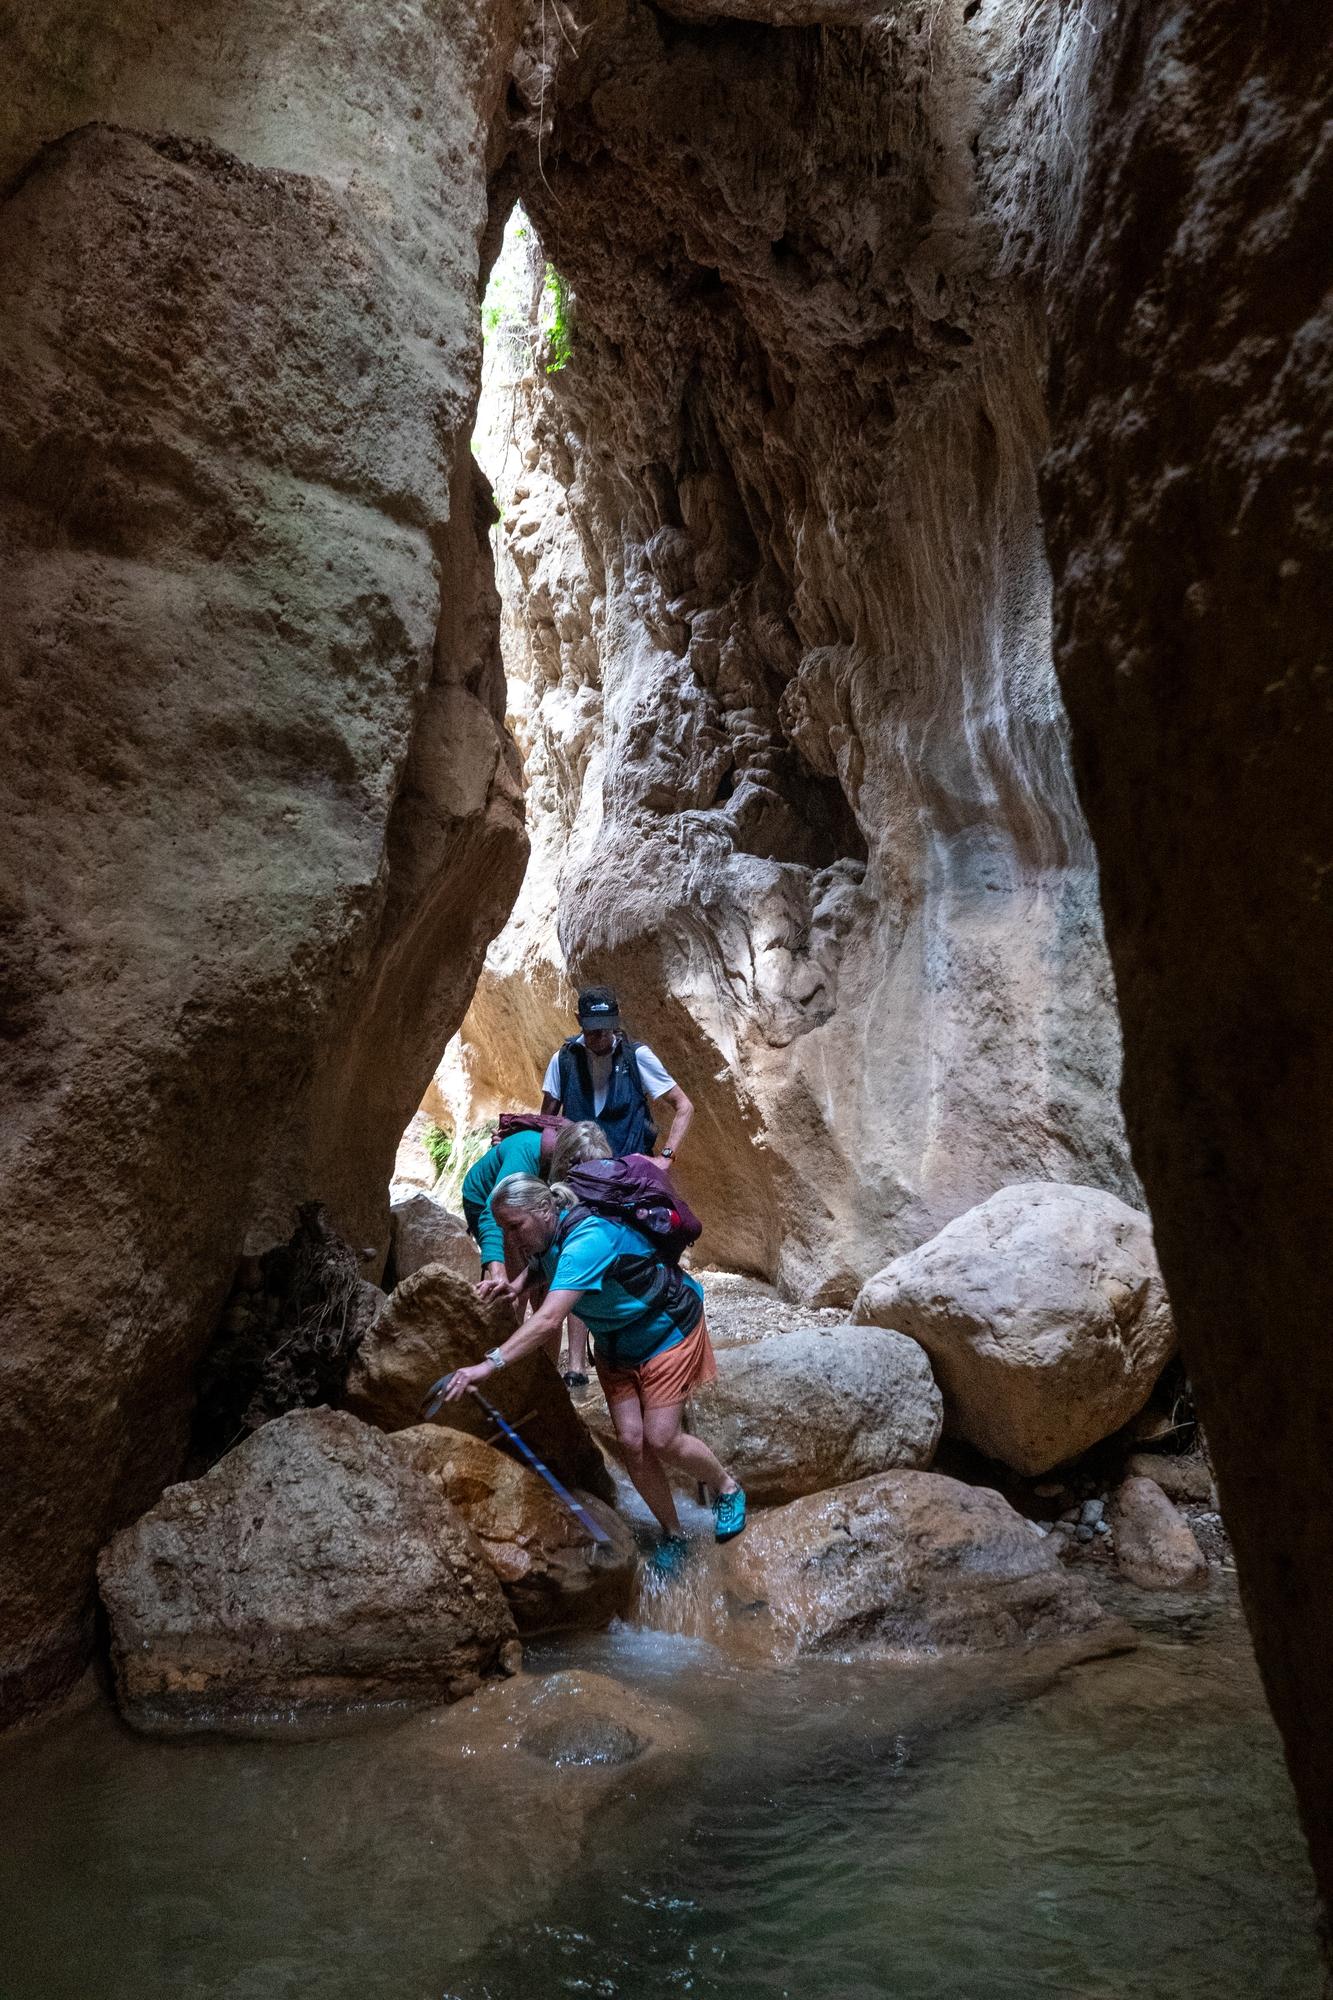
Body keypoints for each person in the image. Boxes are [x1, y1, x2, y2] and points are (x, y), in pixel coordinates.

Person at [441, 1172, 745, 1565]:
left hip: (666, 1330)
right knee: (632, 1444)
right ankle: (674, 1533)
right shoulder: (550, 1231)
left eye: (515, 1226)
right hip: (616, 1346)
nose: (511, 1239)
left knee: (662, 1438)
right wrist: (516, 1286)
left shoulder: (589, 1239)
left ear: (545, 1209)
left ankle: (727, 1488)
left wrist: (488, 1365)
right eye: (503, 1229)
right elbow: (540, 1262)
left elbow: (550, 1320)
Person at [461, 1119, 612, 1384]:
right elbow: (491, 1216)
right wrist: (499, 1272)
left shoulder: (577, 1183)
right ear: (564, 1164)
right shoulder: (524, 1153)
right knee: (509, 1294)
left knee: (552, 1290)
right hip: (492, 1207)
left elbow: (552, 1308)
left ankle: (547, 1376)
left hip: (534, 1208)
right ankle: (503, 1375)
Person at [541, 985, 692, 1165]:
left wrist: (666, 1157)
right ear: (579, 1019)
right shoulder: (563, 1061)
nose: (601, 1036)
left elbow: (684, 1106)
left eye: (606, 1027)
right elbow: (545, 1122)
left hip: (628, 1176)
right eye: (593, 1030)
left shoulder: (636, 1057)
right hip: (578, 1176)